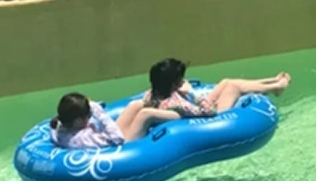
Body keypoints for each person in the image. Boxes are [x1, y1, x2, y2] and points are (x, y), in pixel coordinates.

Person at [144, 58, 291, 118]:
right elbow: (210, 112)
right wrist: (192, 93)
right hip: (211, 118)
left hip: (195, 110)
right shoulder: (174, 103)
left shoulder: (152, 95)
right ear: (173, 83)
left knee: (226, 82)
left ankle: (272, 82)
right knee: (232, 87)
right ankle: (277, 86)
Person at [50, 92, 179, 149]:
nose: (90, 117)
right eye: (88, 115)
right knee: (145, 115)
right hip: (122, 146)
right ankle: (182, 114)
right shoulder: (82, 139)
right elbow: (117, 138)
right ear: (77, 121)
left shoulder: (60, 126)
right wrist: (99, 112)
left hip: (111, 139)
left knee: (134, 105)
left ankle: (169, 101)